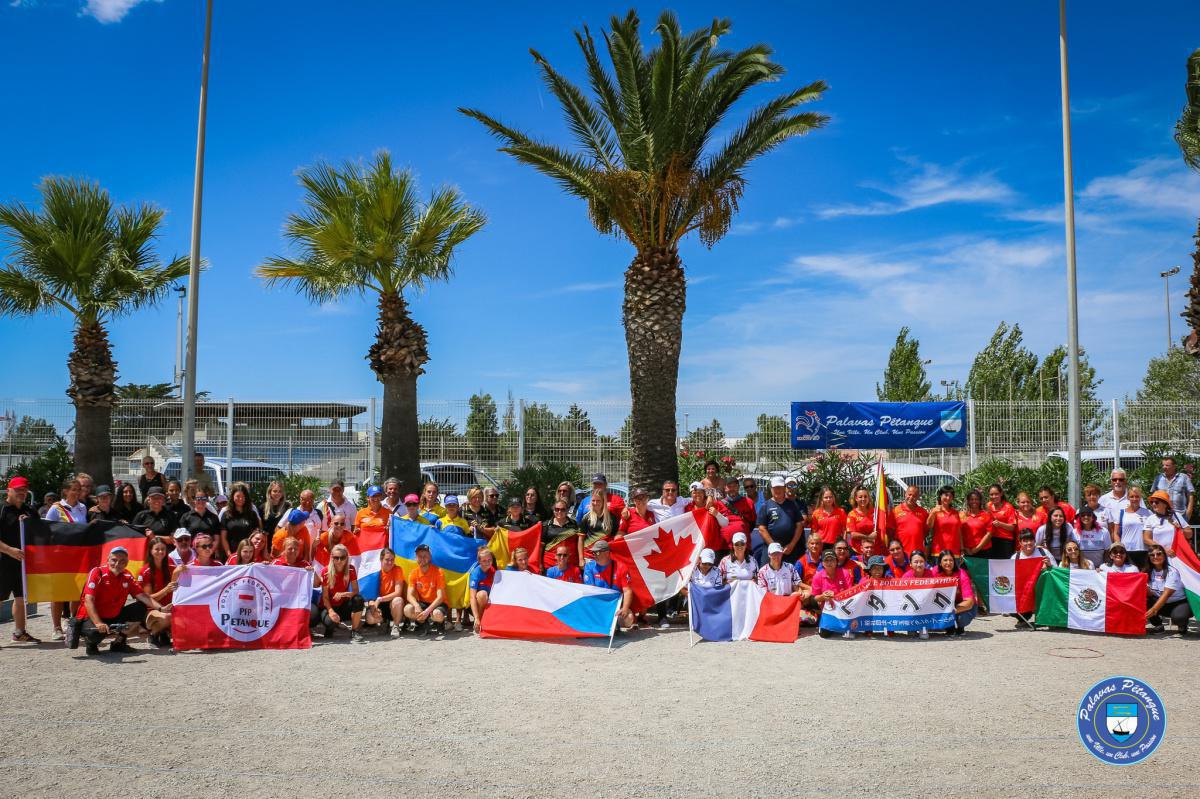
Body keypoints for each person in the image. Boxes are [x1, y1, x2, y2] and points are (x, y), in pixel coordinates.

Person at [74, 546, 168, 656]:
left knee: (140, 608)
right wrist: (98, 622)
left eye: (122, 561)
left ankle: (118, 642)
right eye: (114, 560)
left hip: (114, 615)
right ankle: (91, 644)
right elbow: (88, 600)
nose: (117, 564)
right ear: (108, 560)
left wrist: (161, 608)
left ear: (126, 563)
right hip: (92, 617)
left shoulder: (127, 576)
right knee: (95, 633)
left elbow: (142, 596)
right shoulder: (97, 572)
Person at [0, 476, 39, 643]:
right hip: (3, 561)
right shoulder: (2, 509)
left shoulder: (30, 511)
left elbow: (40, 534)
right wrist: (9, 550)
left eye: (24, 490)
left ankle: (19, 632)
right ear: (9, 490)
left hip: (23, 563)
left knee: (21, 598)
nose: (22, 493)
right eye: (18, 490)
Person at [582, 540, 636, 630]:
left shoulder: (621, 567)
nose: (594, 555)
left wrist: (625, 608)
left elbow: (627, 591)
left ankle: (614, 625)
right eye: (593, 553)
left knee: (628, 618)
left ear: (607, 553)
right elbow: (590, 591)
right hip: (596, 605)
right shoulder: (589, 567)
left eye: (597, 552)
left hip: (613, 605)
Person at [319, 543, 365, 642]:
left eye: (342, 557)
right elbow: (325, 597)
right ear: (332, 558)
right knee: (330, 622)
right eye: (336, 558)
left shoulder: (351, 569)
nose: (339, 560)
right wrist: (331, 612)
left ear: (347, 557)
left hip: (343, 605)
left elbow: (356, 590)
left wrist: (343, 594)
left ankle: (354, 631)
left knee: (359, 599)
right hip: (329, 606)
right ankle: (331, 627)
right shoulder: (325, 572)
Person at [756, 476, 806, 565]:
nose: (777, 490)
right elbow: (762, 529)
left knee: (791, 572)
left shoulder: (792, 505)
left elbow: (799, 525)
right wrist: (774, 546)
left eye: (780, 487)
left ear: (784, 488)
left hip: (790, 550)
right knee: (767, 572)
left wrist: (792, 544)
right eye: (775, 488)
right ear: (771, 489)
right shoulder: (765, 506)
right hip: (771, 550)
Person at [137, 537, 178, 648]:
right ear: (150, 551)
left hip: (169, 609)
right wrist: (165, 590)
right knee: (167, 617)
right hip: (151, 611)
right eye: (157, 549)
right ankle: (153, 635)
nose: (160, 552)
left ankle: (164, 633)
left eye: (163, 549)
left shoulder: (172, 569)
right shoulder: (145, 571)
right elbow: (147, 599)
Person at [1144, 544, 1192, 634]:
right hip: (1161, 603)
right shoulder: (1147, 572)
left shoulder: (1172, 572)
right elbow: (1150, 594)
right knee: (1143, 600)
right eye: (1152, 555)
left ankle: (1182, 625)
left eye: (1159, 554)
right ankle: (1158, 626)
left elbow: (1166, 594)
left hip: (1178, 603)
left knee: (1179, 618)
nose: (1155, 557)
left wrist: (1154, 609)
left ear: (1164, 556)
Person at [404, 543, 447, 636]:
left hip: (437, 603)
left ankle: (440, 623)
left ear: (430, 557)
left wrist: (427, 611)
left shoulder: (439, 572)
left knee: (437, 614)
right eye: (419, 556)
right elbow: (409, 595)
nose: (422, 558)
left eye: (425, 556)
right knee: (408, 609)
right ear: (416, 558)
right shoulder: (413, 573)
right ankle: (424, 624)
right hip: (423, 603)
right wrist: (416, 605)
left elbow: (440, 597)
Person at [365, 547, 406, 637]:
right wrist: (372, 606)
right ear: (381, 559)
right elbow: (370, 594)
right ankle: (383, 622)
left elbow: (398, 592)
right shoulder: (375, 571)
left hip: (392, 603)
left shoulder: (397, 569)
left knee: (398, 600)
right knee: (370, 618)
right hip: (380, 604)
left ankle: (396, 625)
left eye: (392, 560)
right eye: (387, 559)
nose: (390, 562)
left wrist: (380, 599)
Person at [811, 549, 853, 637]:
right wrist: (823, 596)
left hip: (843, 608)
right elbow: (815, 597)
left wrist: (836, 596)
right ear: (822, 563)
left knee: (850, 629)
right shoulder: (817, 576)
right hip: (827, 611)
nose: (829, 562)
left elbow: (850, 594)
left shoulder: (845, 573)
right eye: (826, 560)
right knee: (825, 635)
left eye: (832, 560)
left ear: (836, 562)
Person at [934, 551, 976, 636]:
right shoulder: (935, 572)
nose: (948, 563)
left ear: (954, 562)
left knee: (962, 618)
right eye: (945, 560)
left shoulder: (962, 574)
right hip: (944, 603)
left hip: (961, 604)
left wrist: (950, 612)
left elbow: (969, 602)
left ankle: (960, 627)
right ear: (940, 563)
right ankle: (949, 627)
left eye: (951, 560)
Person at [1110, 485, 1151, 569]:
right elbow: (1116, 533)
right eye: (1132, 496)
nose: (1134, 499)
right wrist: (1119, 547)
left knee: (1143, 574)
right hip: (1127, 551)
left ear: (1140, 498)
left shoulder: (1148, 513)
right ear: (1128, 497)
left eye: (1137, 496)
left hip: (1144, 550)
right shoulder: (1121, 513)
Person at [219, 481, 260, 556]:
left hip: (248, 555)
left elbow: (256, 534)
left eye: (243, 496)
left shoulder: (252, 514)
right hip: (231, 554)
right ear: (232, 497)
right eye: (238, 496)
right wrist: (229, 555)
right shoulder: (226, 514)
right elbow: (223, 538)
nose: (240, 499)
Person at [900, 550, 934, 639]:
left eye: (921, 561)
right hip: (911, 605)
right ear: (910, 564)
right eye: (916, 562)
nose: (919, 564)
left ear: (925, 563)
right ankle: (912, 626)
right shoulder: (906, 577)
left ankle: (924, 627)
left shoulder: (931, 574)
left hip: (926, 605)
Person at [1151, 456, 1194, 525]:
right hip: (1162, 517)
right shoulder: (1158, 478)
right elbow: (1153, 497)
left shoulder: (1184, 477)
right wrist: (1155, 512)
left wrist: (1188, 515)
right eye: (1163, 465)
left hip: (1181, 516)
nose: (1164, 467)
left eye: (1167, 465)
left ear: (1174, 466)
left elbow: (1191, 496)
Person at [542, 499, 581, 571]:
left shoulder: (575, 524)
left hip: (571, 564)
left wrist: (581, 560)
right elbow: (541, 546)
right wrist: (539, 563)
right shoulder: (546, 525)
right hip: (550, 564)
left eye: (563, 509)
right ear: (553, 510)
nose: (559, 512)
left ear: (567, 510)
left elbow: (579, 542)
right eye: (557, 509)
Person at [891, 485, 929, 558]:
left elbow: (926, 532)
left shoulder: (923, 512)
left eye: (914, 496)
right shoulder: (895, 511)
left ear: (918, 497)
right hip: (900, 553)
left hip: (917, 553)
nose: (911, 497)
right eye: (909, 494)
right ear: (905, 494)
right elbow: (890, 532)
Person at [1144, 490, 1184, 557]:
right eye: (1152, 502)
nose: (1153, 504)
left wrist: (1180, 529)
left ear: (1165, 504)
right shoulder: (1150, 519)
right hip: (1159, 556)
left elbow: (1189, 534)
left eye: (1156, 502)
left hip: (1177, 555)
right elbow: (1146, 539)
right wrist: (1162, 549)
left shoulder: (1176, 516)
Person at [808, 487, 848, 553]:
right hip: (821, 545)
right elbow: (814, 531)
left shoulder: (841, 512)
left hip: (836, 545)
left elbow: (845, 530)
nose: (828, 499)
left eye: (830, 497)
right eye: (826, 497)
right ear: (822, 499)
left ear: (833, 498)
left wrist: (844, 543)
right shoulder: (816, 513)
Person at [927, 486, 963, 558]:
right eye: (946, 495)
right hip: (939, 552)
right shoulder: (934, 511)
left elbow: (959, 532)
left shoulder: (955, 513)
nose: (948, 498)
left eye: (950, 496)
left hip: (955, 551)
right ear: (940, 496)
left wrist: (962, 549)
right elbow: (929, 526)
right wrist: (933, 512)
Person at [467, 547, 497, 632]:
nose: (487, 563)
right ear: (479, 561)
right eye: (484, 561)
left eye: (489, 560)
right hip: (476, 605)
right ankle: (479, 620)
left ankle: (487, 619)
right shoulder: (476, 573)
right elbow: (472, 597)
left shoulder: (493, 570)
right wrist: (476, 617)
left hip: (488, 602)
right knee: (482, 594)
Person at [844, 487, 881, 556]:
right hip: (857, 550)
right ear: (856, 498)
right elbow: (853, 534)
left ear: (868, 498)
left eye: (865, 496)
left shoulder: (875, 512)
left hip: (874, 549)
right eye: (860, 497)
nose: (863, 499)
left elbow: (881, 528)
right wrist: (868, 537)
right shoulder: (852, 514)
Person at [961, 489, 994, 558]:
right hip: (966, 551)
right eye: (971, 499)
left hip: (984, 551)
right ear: (968, 501)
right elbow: (959, 533)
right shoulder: (962, 515)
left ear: (980, 501)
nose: (974, 501)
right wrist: (964, 548)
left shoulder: (987, 515)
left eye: (976, 499)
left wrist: (976, 549)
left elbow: (989, 534)